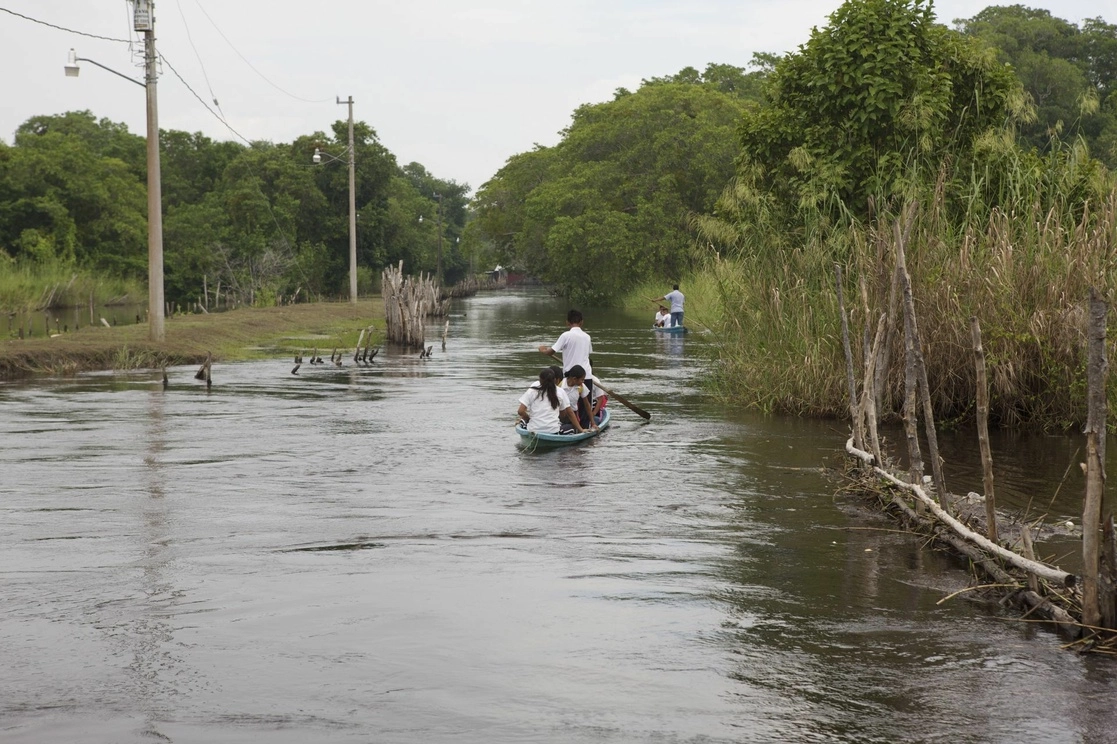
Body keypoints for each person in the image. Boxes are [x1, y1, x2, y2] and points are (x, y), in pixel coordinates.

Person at [518, 367, 584, 434]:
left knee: (522, 421)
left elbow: (520, 411)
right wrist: (581, 430)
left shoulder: (532, 390)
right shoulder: (560, 392)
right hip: (553, 431)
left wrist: (528, 418)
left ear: (540, 380)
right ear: (555, 380)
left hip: (533, 429)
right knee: (570, 427)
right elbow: (569, 413)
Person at [559, 364, 598, 432]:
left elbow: (587, 405)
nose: (583, 381)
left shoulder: (581, 387)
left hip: (573, 416)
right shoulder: (561, 385)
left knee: (574, 430)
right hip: (560, 414)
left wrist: (593, 422)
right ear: (574, 379)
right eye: (582, 379)